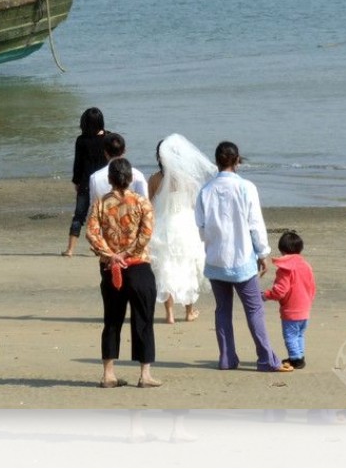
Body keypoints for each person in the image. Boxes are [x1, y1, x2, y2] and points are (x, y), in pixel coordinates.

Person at [193, 141, 283, 372]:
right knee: (254, 309)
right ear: (237, 160)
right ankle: (265, 358)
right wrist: (263, 252)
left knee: (223, 309)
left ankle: (227, 357)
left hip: (216, 258)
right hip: (241, 257)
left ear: (217, 161)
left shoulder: (206, 190)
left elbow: (201, 228)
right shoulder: (246, 187)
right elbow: (255, 224)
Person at [85, 158, 162, 389]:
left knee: (112, 319)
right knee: (143, 319)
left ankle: (108, 373)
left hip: (111, 267)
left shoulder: (100, 204)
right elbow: (146, 234)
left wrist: (111, 255)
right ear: (130, 179)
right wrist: (127, 253)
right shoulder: (141, 203)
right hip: (137, 265)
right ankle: (144, 374)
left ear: (109, 179)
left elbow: (92, 233)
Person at [149, 133, 216, 324]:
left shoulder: (154, 179)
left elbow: (149, 205)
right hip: (185, 226)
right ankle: (189, 311)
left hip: (164, 226)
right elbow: (197, 205)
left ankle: (169, 314)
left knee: (166, 268)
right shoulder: (187, 179)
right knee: (187, 267)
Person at [262, 229, 317, 371]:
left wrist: (266, 295)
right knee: (299, 334)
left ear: (282, 250)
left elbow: (280, 291)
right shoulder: (306, 265)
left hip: (291, 309)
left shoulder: (285, 268)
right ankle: (299, 356)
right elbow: (312, 287)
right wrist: (308, 302)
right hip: (305, 308)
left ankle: (295, 359)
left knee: (290, 336)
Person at [62, 107, 106, 257]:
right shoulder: (108, 137)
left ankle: (70, 250)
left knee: (79, 216)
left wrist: (76, 181)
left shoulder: (81, 140)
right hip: (104, 183)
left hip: (86, 182)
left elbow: (78, 164)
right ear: (101, 122)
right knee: (103, 216)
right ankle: (99, 248)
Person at [87, 132, 149, 207]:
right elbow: (145, 204)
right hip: (132, 217)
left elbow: (93, 207)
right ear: (124, 150)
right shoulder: (138, 175)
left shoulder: (95, 177)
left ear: (105, 153)